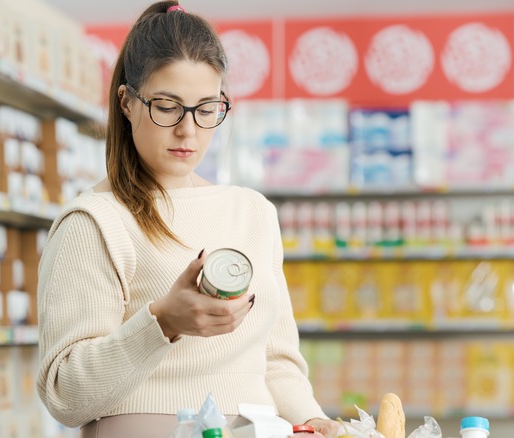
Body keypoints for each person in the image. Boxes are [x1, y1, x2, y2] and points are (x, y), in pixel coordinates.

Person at [36, 2, 342, 437]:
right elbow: (64, 394)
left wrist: (313, 420)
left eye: (206, 108)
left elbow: (276, 362)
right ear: (126, 102)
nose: (189, 130)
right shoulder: (95, 221)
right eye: (167, 106)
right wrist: (162, 323)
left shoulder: (252, 211)